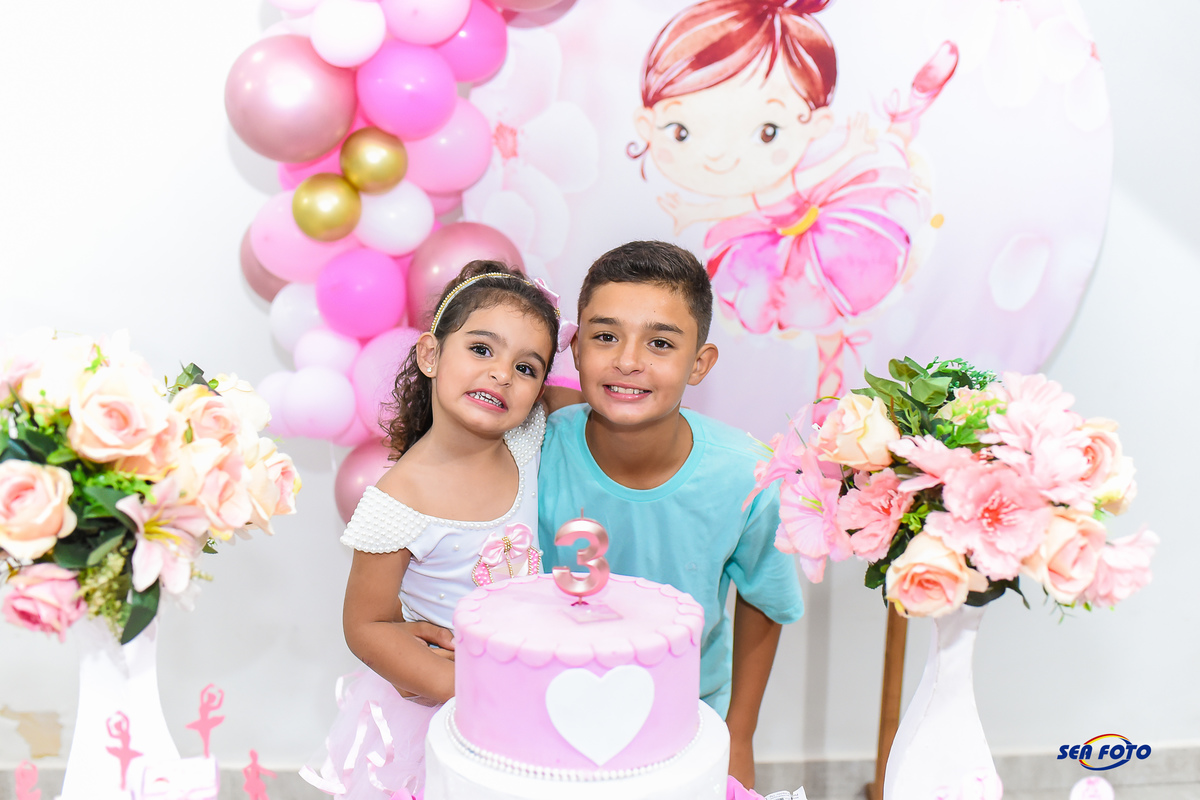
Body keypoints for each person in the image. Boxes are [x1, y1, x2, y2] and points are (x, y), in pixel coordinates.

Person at [537, 240, 804, 790]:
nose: (628, 360)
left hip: (689, 722)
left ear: (699, 363)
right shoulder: (530, 452)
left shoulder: (748, 476)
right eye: (606, 336)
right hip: (546, 710)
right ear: (576, 349)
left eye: (660, 342)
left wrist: (739, 737)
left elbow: (765, 600)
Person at [302, 261, 564, 798]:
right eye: (482, 349)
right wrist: (463, 687)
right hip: (445, 704)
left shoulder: (525, 439)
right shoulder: (398, 501)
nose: (501, 374)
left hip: (528, 675)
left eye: (526, 367)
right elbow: (366, 624)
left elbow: (597, 405)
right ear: (430, 355)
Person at [631, 0, 957, 403]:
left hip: (829, 234)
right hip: (776, 248)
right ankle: (829, 402)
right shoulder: (761, 194)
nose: (719, 156)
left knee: (831, 321)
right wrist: (692, 212)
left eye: (768, 131)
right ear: (646, 123)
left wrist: (851, 149)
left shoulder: (795, 179)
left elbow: (778, 191)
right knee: (819, 323)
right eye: (681, 130)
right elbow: (747, 205)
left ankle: (914, 102)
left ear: (816, 124)